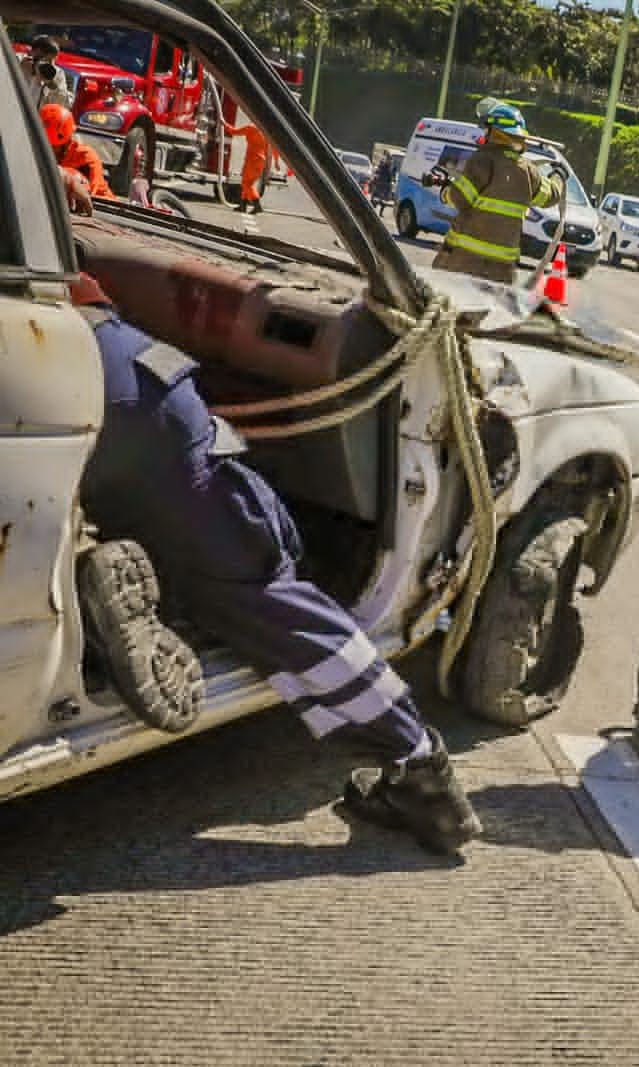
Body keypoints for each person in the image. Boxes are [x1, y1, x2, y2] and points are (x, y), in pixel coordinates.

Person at [68, 255, 482, 854]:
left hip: (83, 377)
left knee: (245, 578)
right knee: (259, 588)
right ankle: (420, 770)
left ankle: (101, 575)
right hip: (113, 378)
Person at [426, 102, 562, 284]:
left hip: (463, 262)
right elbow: (551, 196)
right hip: (501, 271)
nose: (484, 134)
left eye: (487, 130)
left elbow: (460, 198)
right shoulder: (529, 171)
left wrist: (445, 192)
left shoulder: (482, 160)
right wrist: (559, 176)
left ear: (496, 133)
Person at [42, 104, 113, 200]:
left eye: (54, 147)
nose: (51, 151)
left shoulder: (86, 158)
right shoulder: (34, 151)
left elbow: (93, 194)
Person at [222, 113, 272, 214]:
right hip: (260, 161)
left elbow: (234, 132)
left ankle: (257, 205)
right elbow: (268, 152)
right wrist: (268, 168)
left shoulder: (251, 128)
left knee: (246, 184)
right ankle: (243, 205)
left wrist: (223, 123)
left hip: (252, 160)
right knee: (247, 183)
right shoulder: (265, 132)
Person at [22, 35, 73, 109]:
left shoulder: (57, 73)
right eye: (42, 59)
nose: (48, 64)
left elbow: (64, 105)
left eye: (50, 61)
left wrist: (51, 84)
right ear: (31, 53)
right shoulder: (18, 63)